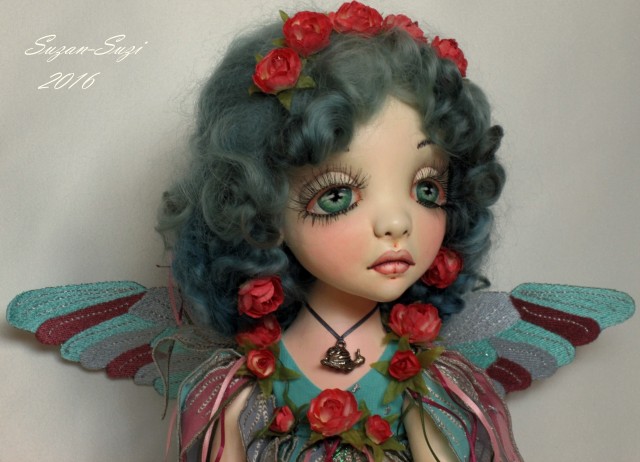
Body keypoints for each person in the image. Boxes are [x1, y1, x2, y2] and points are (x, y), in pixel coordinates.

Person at [156, 2, 521, 460]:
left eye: (427, 189)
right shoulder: (238, 389)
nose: (397, 223)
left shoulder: (426, 382)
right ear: (263, 213)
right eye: (336, 196)